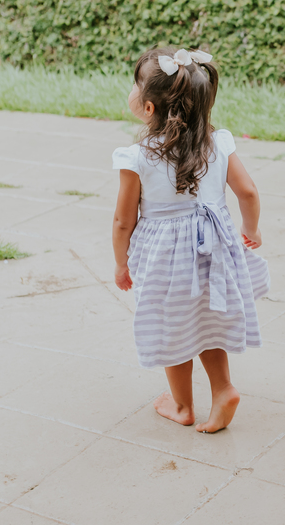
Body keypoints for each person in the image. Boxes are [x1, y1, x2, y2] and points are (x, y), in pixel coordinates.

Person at [112, 48, 269, 433]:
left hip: (165, 258)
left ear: (148, 107)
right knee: (207, 320)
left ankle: (182, 406)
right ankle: (223, 389)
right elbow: (248, 192)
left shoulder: (137, 157)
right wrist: (251, 230)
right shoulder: (219, 144)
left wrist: (121, 263)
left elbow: (122, 221)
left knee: (173, 326)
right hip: (214, 249)